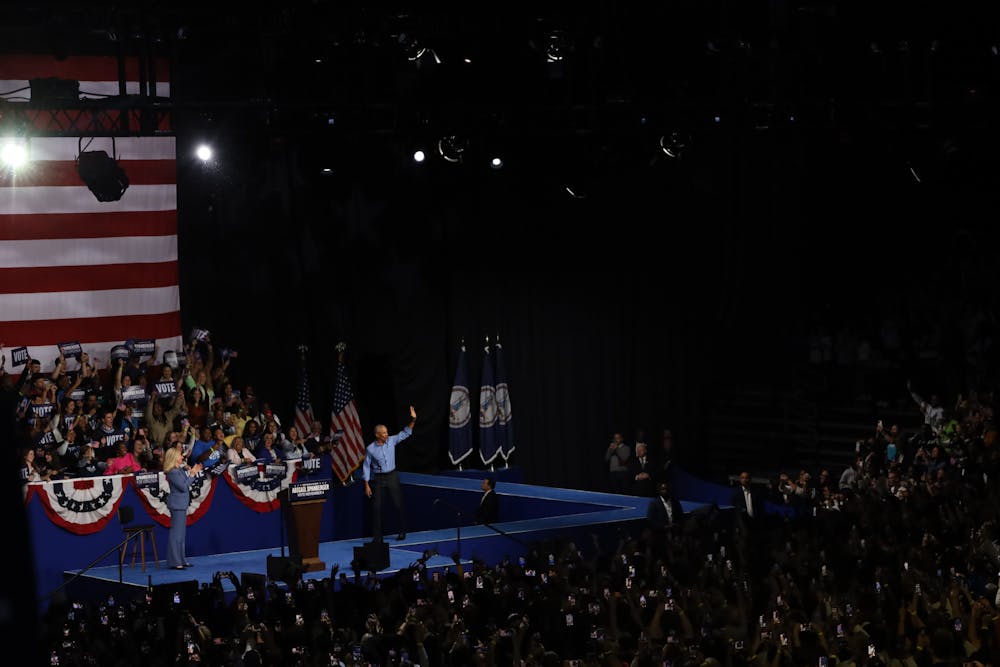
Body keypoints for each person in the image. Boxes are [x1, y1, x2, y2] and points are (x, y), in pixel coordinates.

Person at [362, 405, 416, 542]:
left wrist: (413, 420)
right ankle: (377, 537)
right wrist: (367, 484)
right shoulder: (370, 449)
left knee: (398, 504)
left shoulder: (391, 441)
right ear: (377, 435)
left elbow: (405, 433)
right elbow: (366, 466)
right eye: (384, 433)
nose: (387, 434)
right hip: (379, 479)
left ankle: (402, 531)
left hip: (392, 476)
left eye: (387, 432)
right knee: (376, 508)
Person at [164, 446, 202, 570]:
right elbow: (184, 487)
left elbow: (185, 483)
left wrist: (190, 472)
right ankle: (175, 562)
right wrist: (192, 474)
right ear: (174, 457)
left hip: (181, 504)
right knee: (176, 534)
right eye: (180, 455)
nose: (182, 457)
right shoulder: (172, 472)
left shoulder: (178, 470)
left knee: (181, 534)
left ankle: (181, 559)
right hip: (177, 505)